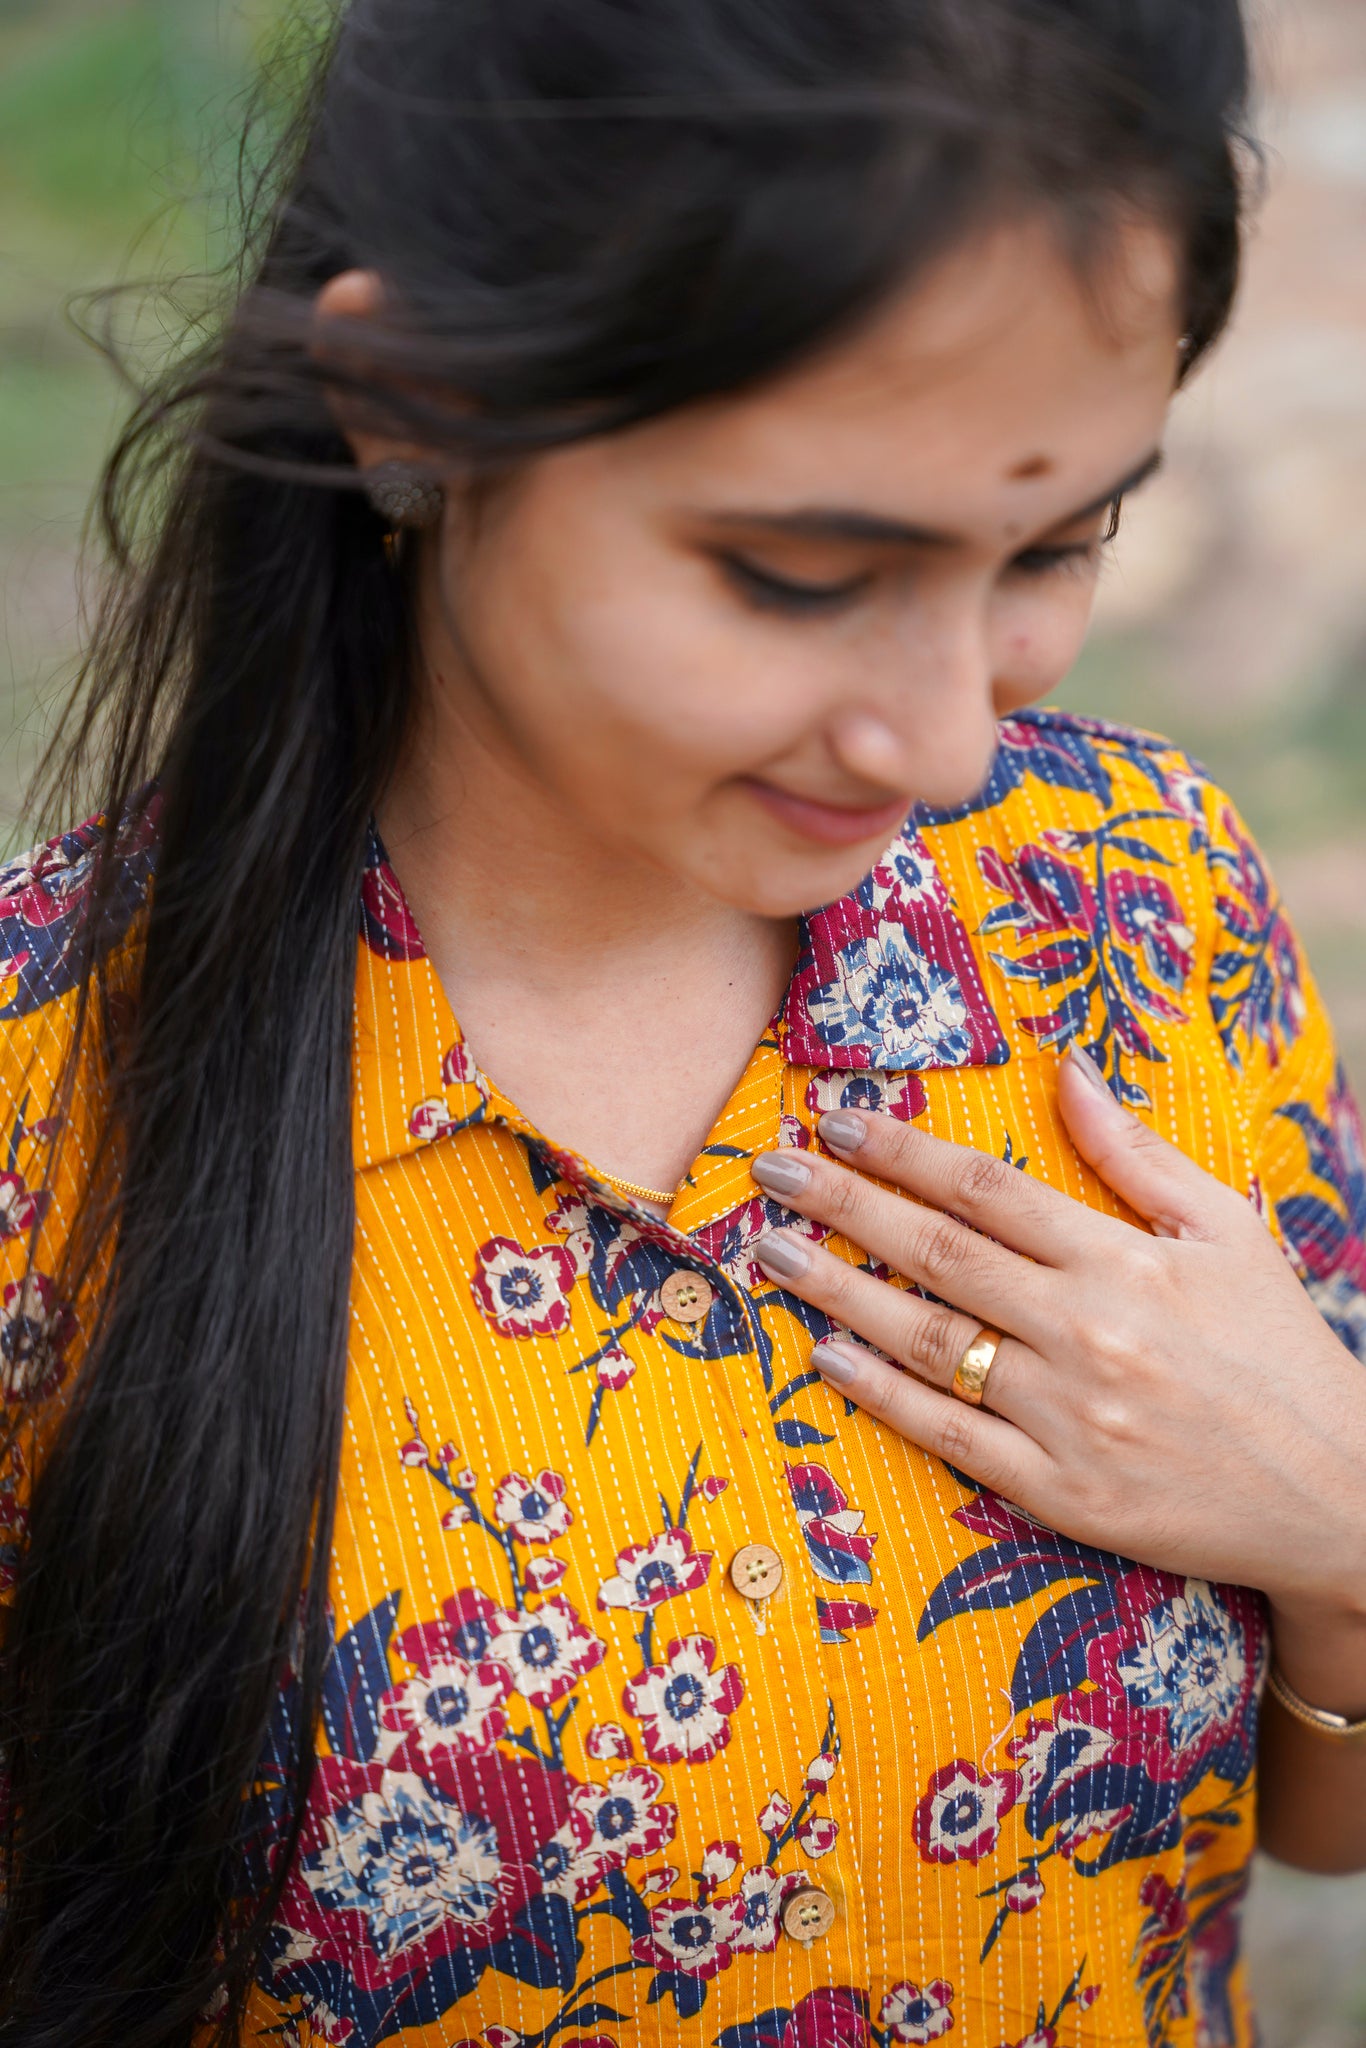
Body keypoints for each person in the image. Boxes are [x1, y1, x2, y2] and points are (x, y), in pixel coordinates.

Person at [0, 0, 1362, 2043]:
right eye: (805, 572)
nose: (938, 737)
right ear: (408, 406)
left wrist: (1333, 1518)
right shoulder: (42, 1098)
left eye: (1053, 544)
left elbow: (1306, 1836)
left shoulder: (1130, 896)